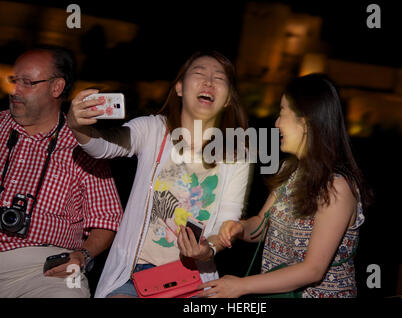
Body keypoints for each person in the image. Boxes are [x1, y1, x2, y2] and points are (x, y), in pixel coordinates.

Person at [67, 51, 251, 298]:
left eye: (219, 78)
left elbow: (228, 220)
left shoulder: (238, 153)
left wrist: (209, 250)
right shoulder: (153, 129)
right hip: (134, 276)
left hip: (194, 281)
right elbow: (104, 146)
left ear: (228, 98)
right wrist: (78, 126)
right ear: (179, 88)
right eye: (198, 73)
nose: (208, 82)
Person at [199, 73, 371, 298]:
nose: (276, 123)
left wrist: (242, 286)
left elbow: (313, 270)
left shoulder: (336, 187)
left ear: (306, 120)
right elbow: (262, 225)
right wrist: (240, 228)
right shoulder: (289, 171)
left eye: (282, 112)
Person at [0, 46, 123, 298]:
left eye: (27, 82)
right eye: (15, 81)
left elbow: (107, 219)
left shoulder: (85, 145)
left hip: (43, 269)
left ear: (56, 88)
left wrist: (83, 255)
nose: (15, 90)